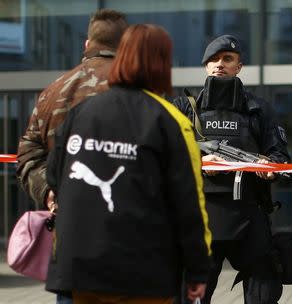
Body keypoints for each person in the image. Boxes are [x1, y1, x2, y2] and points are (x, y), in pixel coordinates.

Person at [45, 24, 212, 304]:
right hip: (141, 272)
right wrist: (197, 270)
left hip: (78, 267)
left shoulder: (80, 113)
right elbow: (189, 205)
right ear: (162, 64)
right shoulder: (170, 122)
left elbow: (54, 177)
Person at [15, 9, 128, 303]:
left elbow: (28, 154)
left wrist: (49, 191)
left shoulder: (53, 92)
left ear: (86, 45)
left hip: (71, 242)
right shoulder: (145, 93)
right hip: (131, 242)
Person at [172, 34, 290, 303]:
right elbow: (165, 159)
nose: (219, 64)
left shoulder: (259, 110)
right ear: (205, 66)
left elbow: (280, 156)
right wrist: (200, 164)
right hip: (200, 218)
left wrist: (270, 167)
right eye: (213, 59)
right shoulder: (184, 108)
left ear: (239, 67)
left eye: (227, 59)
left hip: (249, 215)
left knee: (263, 292)